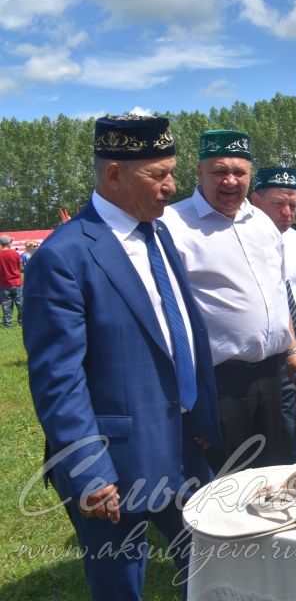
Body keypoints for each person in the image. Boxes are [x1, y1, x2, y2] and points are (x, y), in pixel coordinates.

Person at [23, 115, 221, 600]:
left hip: (183, 441)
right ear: (114, 174)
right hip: (115, 461)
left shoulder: (158, 234)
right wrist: (89, 471)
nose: (172, 187)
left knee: (212, 565)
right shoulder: (63, 256)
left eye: (173, 172)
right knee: (121, 583)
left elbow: (176, 333)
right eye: (158, 175)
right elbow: (59, 379)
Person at [164, 130, 296, 471]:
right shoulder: (173, 225)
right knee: (230, 477)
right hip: (220, 381)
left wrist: (292, 349)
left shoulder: (261, 222)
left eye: (240, 172)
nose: (230, 181)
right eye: (219, 171)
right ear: (199, 171)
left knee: (278, 466)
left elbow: (278, 293)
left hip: (273, 372)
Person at [250, 166, 296, 464]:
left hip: (294, 348)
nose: (287, 212)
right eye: (278, 204)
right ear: (255, 201)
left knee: (288, 431)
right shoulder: (241, 239)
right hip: (258, 357)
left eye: (293, 205)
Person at [0, 235, 23, 327]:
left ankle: (7, 322)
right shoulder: (15, 253)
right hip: (17, 282)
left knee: (6, 304)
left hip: (3, 283)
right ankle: (22, 321)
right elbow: (20, 267)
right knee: (20, 302)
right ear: (9, 243)